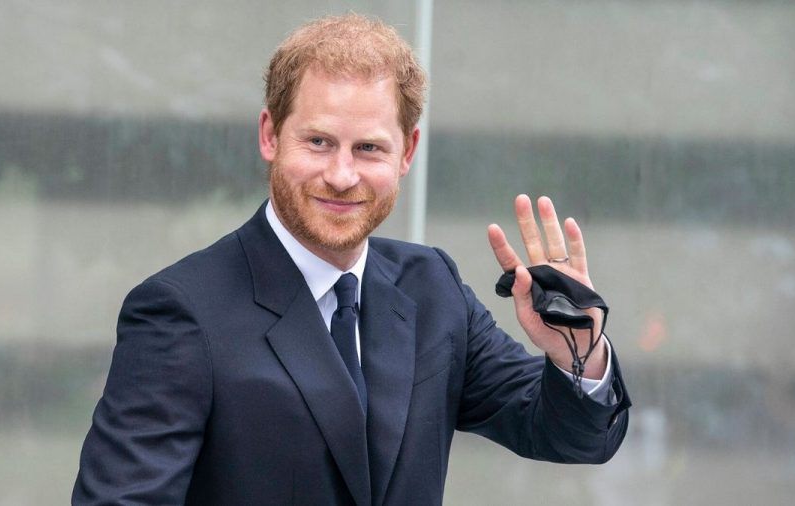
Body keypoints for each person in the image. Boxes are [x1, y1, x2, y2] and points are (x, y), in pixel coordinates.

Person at [73, 13, 630, 506]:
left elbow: (572, 437)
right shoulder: (182, 311)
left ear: (407, 152)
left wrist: (576, 351)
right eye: (318, 142)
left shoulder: (433, 288)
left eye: (369, 148)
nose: (342, 175)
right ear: (270, 135)